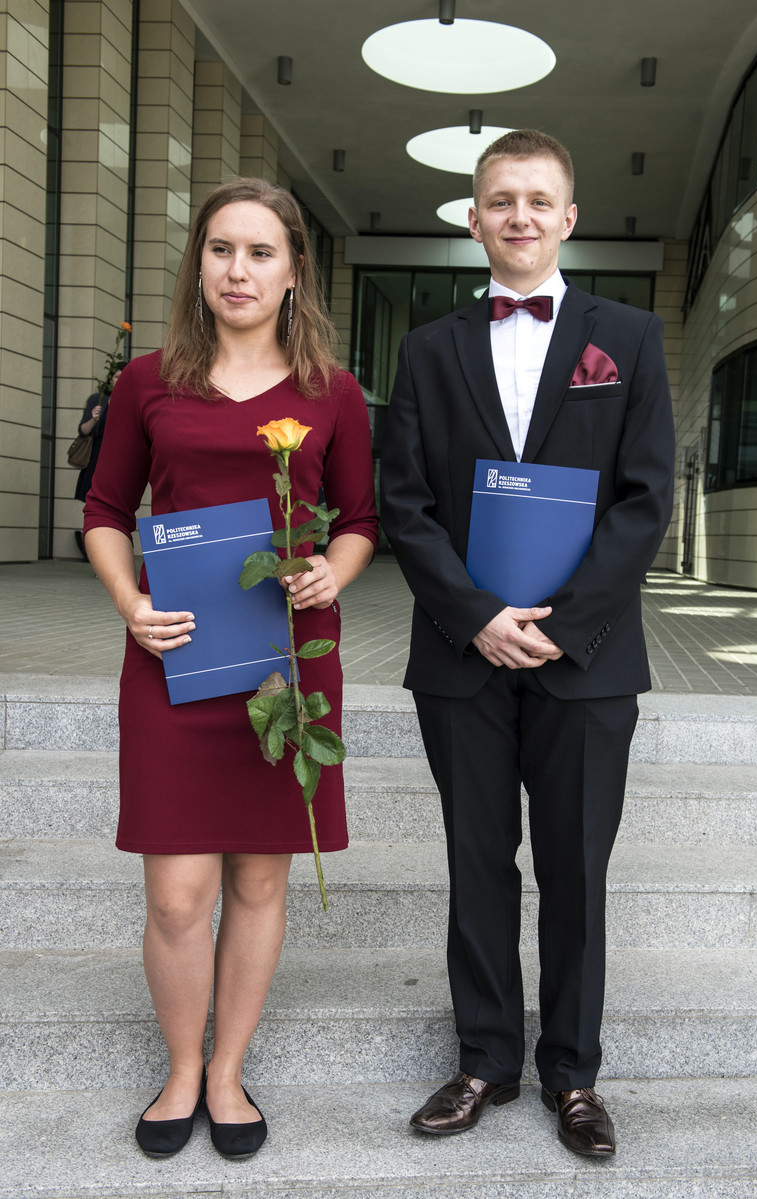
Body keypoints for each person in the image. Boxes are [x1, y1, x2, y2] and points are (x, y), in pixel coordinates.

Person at [380, 130, 674, 1157]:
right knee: (477, 861)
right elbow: (405, 502)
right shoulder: (427, 348)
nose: (520, 216)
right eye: (501, 200)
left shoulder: (628, 338)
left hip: (585, 655)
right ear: (474, 219)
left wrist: (562, 622)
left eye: (539, 200)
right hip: (462, 651)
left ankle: (574, 1074)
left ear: (568, 218)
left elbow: (646, 500)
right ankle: (484, 1058)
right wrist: (476, 616)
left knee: (576, 869)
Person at [83, 178, 377, 1159]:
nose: (237, 270)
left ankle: (225, 1070)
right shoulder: (148, 382)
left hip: (285, 668)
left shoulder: (333, 392)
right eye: (220, 250)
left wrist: (333, 572)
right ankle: (180, 1067)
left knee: (257, 882)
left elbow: (362, 519)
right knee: (176, 896)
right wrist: (130, 604)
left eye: (259, 252)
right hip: (172, 657)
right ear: (198, 263)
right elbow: (105, 510)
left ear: (294, 270)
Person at [73, 367, 123, 558]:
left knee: (114, 505)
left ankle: (108, 551)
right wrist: (94, 418)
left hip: (118, 460)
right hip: (96, 458)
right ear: (110, 379)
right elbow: (83, 431)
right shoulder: (98, 400)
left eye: (123, 377)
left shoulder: (129, 400)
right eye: (117, 376)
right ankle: (96, 550)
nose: (120, 380)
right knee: (94, 504)